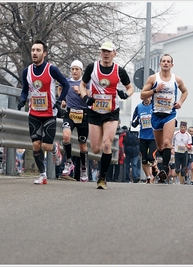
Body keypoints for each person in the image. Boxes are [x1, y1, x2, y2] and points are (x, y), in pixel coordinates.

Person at [79, 41, 134, 189]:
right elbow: (82, 86)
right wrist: (85, 97)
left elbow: (131, 88)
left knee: (107, 144)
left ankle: (102, 178)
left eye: (109, 51)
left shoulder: (119, 70)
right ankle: (101, 173)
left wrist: (125, 94)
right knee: (96, 148)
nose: (106, 54)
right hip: (94, 112)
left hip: (111, 113)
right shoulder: (92, 67)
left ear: (114, 54)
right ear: (100, 53)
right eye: (103, 51)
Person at [17, 40, 69, 185]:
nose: (34, 53)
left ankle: (55, 148)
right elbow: (24, 91)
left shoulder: (51, 70)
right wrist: (22, 100)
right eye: (33, 50)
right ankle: (42, 174)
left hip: (49, 114)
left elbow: (65, 85)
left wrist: (60, 101)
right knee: (35, 145)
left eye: (38, 50)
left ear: (44, 54)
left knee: (46, 146)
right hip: (34, 113)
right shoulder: (27, 71)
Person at [140, 54, 188, 184]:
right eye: (163, 61)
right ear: (160, 64)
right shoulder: (153, 78)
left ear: (172, 65)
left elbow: (185, 91)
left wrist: (180, 103)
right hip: (156, 115)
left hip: (170, 114)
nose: (166, 63)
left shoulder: (176, 80)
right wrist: (155, 90)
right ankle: (160, 167)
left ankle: (164, 169)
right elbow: (142, 95)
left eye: (168, 61)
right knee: (160, 146)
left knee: (167, 142)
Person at [59, 60, 90, 182]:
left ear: (81, 70)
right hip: (70, 113)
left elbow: (90, 95)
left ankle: (83, 168)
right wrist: (62, 100)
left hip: (83, 114)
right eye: (72, 69)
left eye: (77, 69)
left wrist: (80, 92)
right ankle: (68, 162)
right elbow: (60, 88)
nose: (74, 71)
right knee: (66, 136)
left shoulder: (85, 83)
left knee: (82, 145)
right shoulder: (67, 81)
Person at [132, 96, 157, 184]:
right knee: (144, 159)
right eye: (144, 98)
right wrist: (137, 121)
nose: (146, 100)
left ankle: (155, 167)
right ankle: (148, 177)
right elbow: (133, 122)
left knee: (151, 156)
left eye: (148, 98)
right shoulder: (139, 107)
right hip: (142, 137)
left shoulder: (154, 106)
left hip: (153, 137)